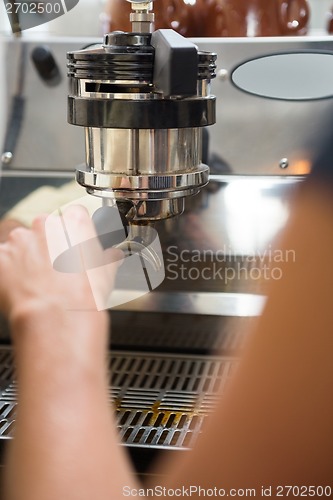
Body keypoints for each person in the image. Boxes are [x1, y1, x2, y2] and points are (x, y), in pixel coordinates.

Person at [0, 173, 332, 500]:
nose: (135, 179)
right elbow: (16, 239)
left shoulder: (231, 207)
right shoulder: (78, 196)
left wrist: (52, 316)